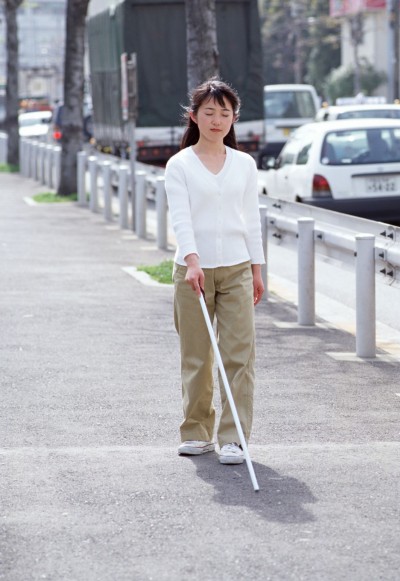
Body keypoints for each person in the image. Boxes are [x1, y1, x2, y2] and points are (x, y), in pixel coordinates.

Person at [164, 78, 265, 465]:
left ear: (234, 118)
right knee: (197, 355)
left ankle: (234, 437)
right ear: (194, 116)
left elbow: (252, 220)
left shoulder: (244, 164)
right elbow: (181, 217)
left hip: (238, 269)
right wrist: (191, 261)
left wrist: (257, 270)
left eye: (225, 113)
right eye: (209, 112)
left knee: (239, 355)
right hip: (193, 272)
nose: (217, 119)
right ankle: (197, 431)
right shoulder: (180, 164)